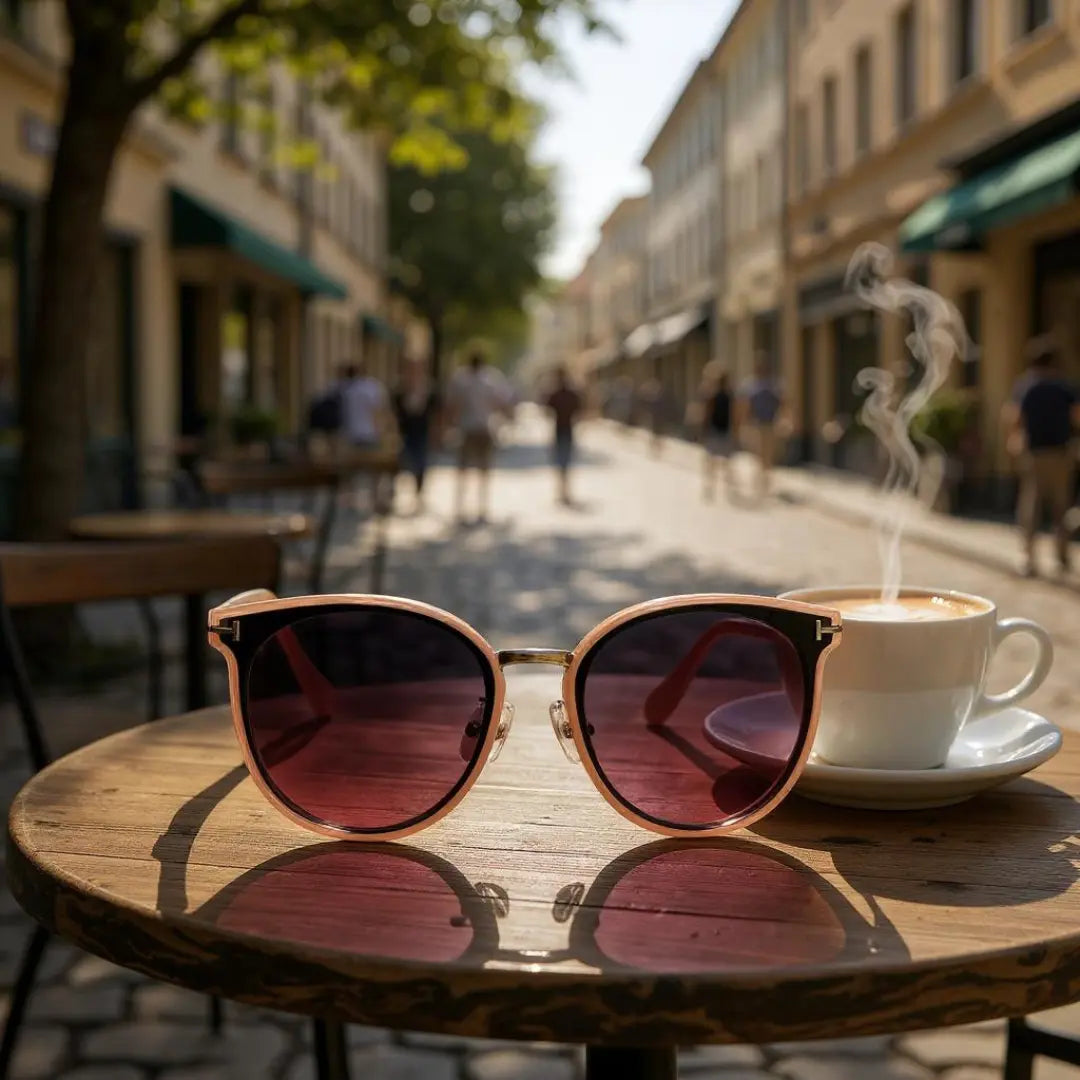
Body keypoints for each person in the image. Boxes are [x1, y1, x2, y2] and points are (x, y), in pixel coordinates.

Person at [1003, 338, 1080, 576]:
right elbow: (1077, 416)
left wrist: (1014, 438)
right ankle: (1062, 558)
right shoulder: (1064, 387)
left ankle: (1028, 558)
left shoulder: (1026, 386)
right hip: (1060, 452)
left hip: (1035, 453)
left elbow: (1014, 416)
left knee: (1031, 506)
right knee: (1061, 506)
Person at [446, 348, 512, 523]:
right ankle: (480, 509)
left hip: (467, 428)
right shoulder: (490, 378)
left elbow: (452, 405)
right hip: (482, 427)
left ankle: (462, 508)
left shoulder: (461, 379)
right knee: (482, 471)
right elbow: (502, 402)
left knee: (464, 471)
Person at [392, 355, 440, 514]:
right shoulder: (400, 388)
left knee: (421, 464)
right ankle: (393, 494)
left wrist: (436, 431)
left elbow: (435, 413)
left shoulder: (428, 388)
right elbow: (395, 411)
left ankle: (418, 495)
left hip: (422, 431)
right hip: (404, 432)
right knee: (400, 463)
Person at [737, 354, 784, 499]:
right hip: (756, 424)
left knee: (768, 454)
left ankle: (766, 480)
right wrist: (743, 423)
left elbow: (783, 403)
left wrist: (783, 419)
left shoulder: (774, 385)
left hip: (770, 424)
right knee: (758, 453)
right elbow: (745, 406)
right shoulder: (751, 385)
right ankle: (760, 479)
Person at [695, 362, 734, 502]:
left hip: (715, 431)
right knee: (724, 463)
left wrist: (702, 432)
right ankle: (723, 489)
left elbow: (706, 414)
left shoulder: (713, 395)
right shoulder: (729, 395)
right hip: (723, 431)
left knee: (712, 463)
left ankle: (711, 488)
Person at [545, 366, 583, 505]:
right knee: (566, 461)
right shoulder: (571, 394)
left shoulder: (554, 393)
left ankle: (562, 490)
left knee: (561, 461)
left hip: (559, 430)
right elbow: (579, 411)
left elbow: (547, 410)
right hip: (568, 430)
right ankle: (565, 490)